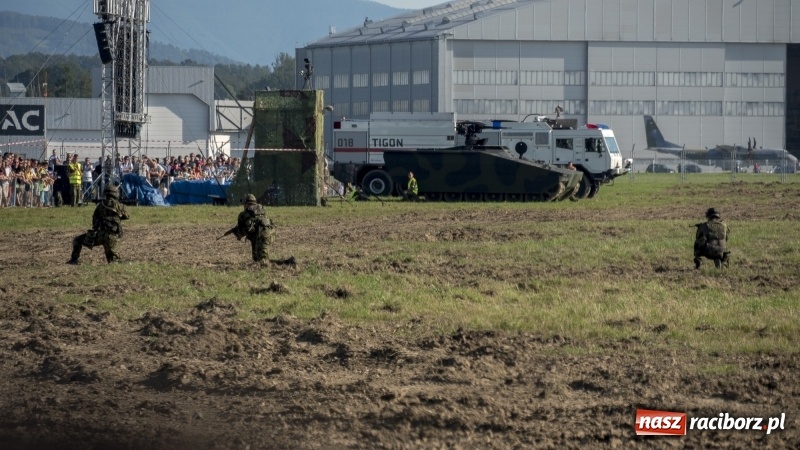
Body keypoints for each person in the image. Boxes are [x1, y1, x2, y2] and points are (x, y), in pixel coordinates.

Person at [68, 184, 130, 265]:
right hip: (113, 237)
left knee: (77, 240)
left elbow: (94, 220)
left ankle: (73, 260)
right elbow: (127, 216)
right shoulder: (119, 206)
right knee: (113, 261)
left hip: (99, 235)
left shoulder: (101, 205)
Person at [225, 194, 275, 263]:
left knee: (263, 262)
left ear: (247, 204)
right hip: (270, 233)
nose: (243, 206)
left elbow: (241, 233)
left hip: (262, 236)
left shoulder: (243, 214)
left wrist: (235, 232)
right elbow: (253, 228)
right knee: (256, 260)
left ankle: (286, 262)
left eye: (244, 204)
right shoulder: (261, 209)